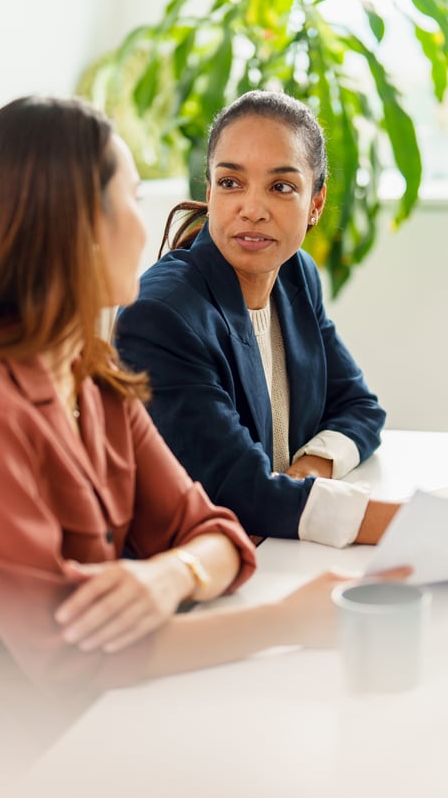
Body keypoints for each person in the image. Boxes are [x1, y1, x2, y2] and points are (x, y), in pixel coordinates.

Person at [0, 95, 400, 773]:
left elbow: (218, 533)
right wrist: (287, 619)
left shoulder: (91, 373)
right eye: (131, 195)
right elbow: (67, 654)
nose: (151, 221)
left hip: (90, 702)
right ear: (71, 226)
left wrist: (166, 575)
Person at [112, 90, 397, 547]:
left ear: (316, 204)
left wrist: (311, 469)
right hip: (189, 580)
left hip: (278, 554)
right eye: (230, 183)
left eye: (281, 187)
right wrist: (418, 522)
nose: (252, 208)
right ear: (208, 190)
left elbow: (359, 408)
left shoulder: (295, 275)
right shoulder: (161, 317)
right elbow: (240, 494)